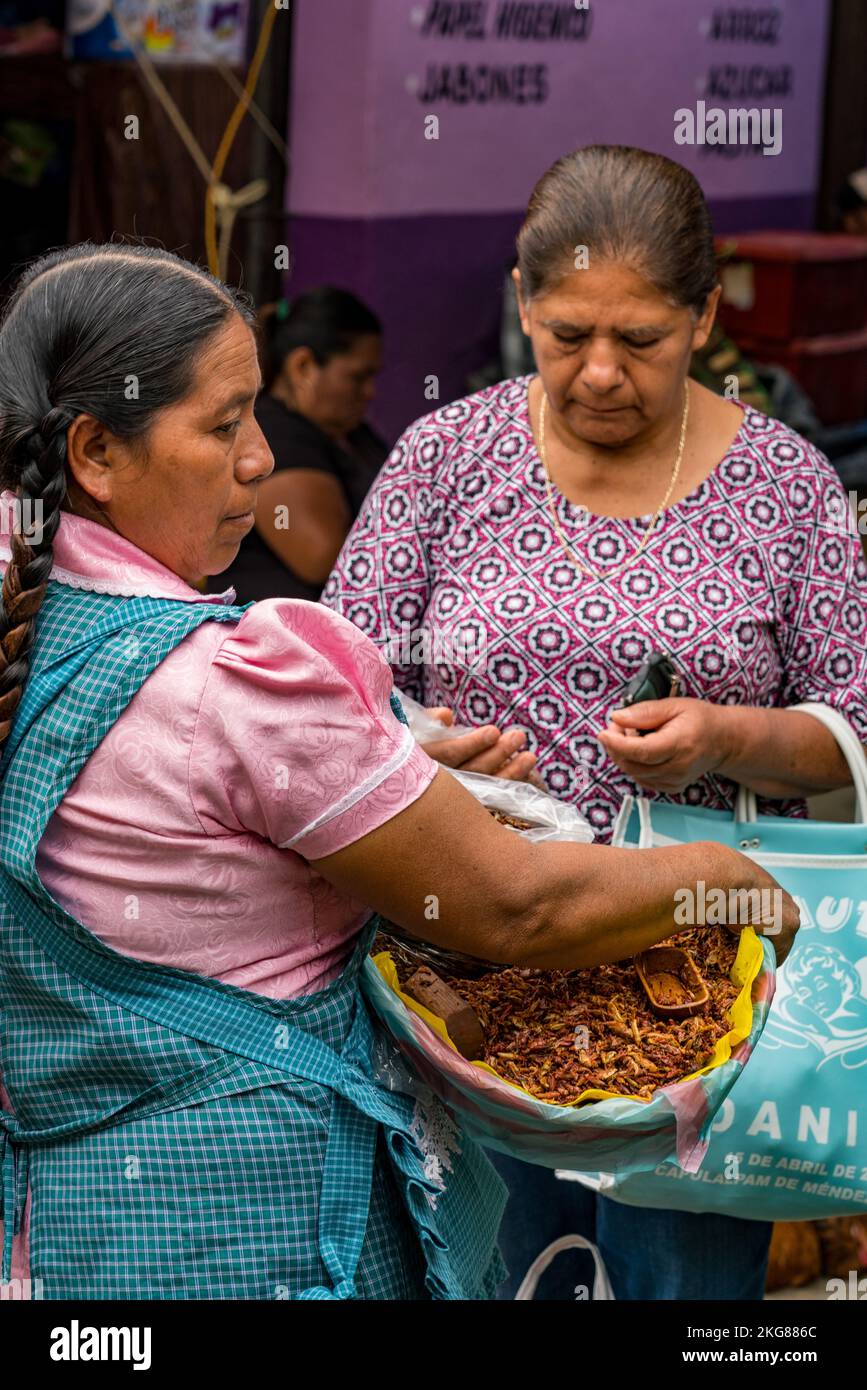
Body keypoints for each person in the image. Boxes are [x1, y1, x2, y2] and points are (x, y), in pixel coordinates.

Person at [0, 242, 796, 1301]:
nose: (257, 463)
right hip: (265, 1229)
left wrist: (384, 767)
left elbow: (176, 809)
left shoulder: (30, 636)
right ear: (96, 452)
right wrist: (727, 879)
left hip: (77, 1234)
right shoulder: (243, 682)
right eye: (225, 422)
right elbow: (516, 907)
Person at [323, 144, 867, 1300]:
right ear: (524, 300)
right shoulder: (444, 461)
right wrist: (422, 746)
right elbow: (326, 693)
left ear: (707, 314)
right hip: (466, 991)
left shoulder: (787, 484)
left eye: (645, 340)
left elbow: (853, 718)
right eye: (567, 335)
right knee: (485, 1266)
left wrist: (730, 736)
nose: (603, 372)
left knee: (679, 1282)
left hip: (697, 1008)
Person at [217, 287, 388, 603]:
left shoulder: (354, 435)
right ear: (303, 366)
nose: (370, 392)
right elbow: (321, 558)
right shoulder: (273, 434)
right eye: (358, 377)